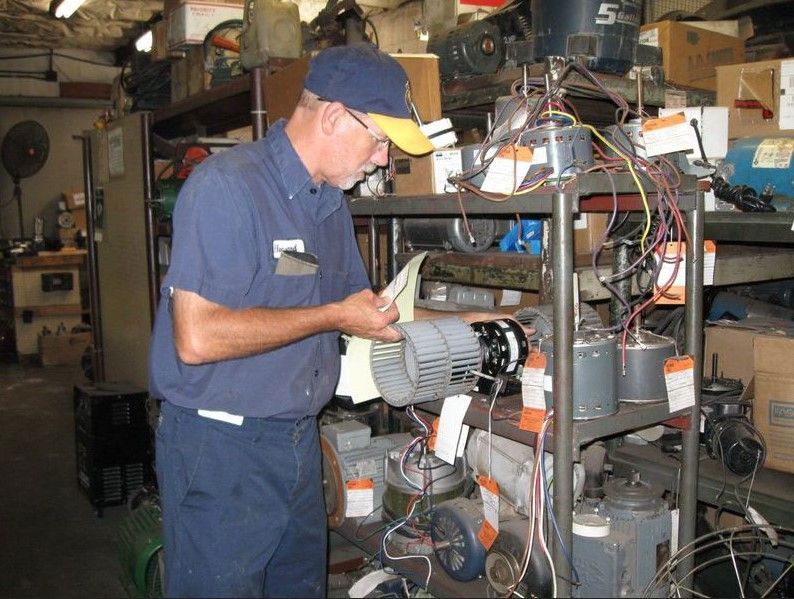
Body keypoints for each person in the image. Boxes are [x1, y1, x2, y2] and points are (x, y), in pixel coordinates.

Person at [148, 43, 436, 598]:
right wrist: (333, 314)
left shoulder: (327, 204)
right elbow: (197, 336)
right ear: (333, 116)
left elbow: (357, 304)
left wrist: (486, 321)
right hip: (221, 450)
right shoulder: (226, 188)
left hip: (298, 442)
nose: (382, 159)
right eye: (379, 140)